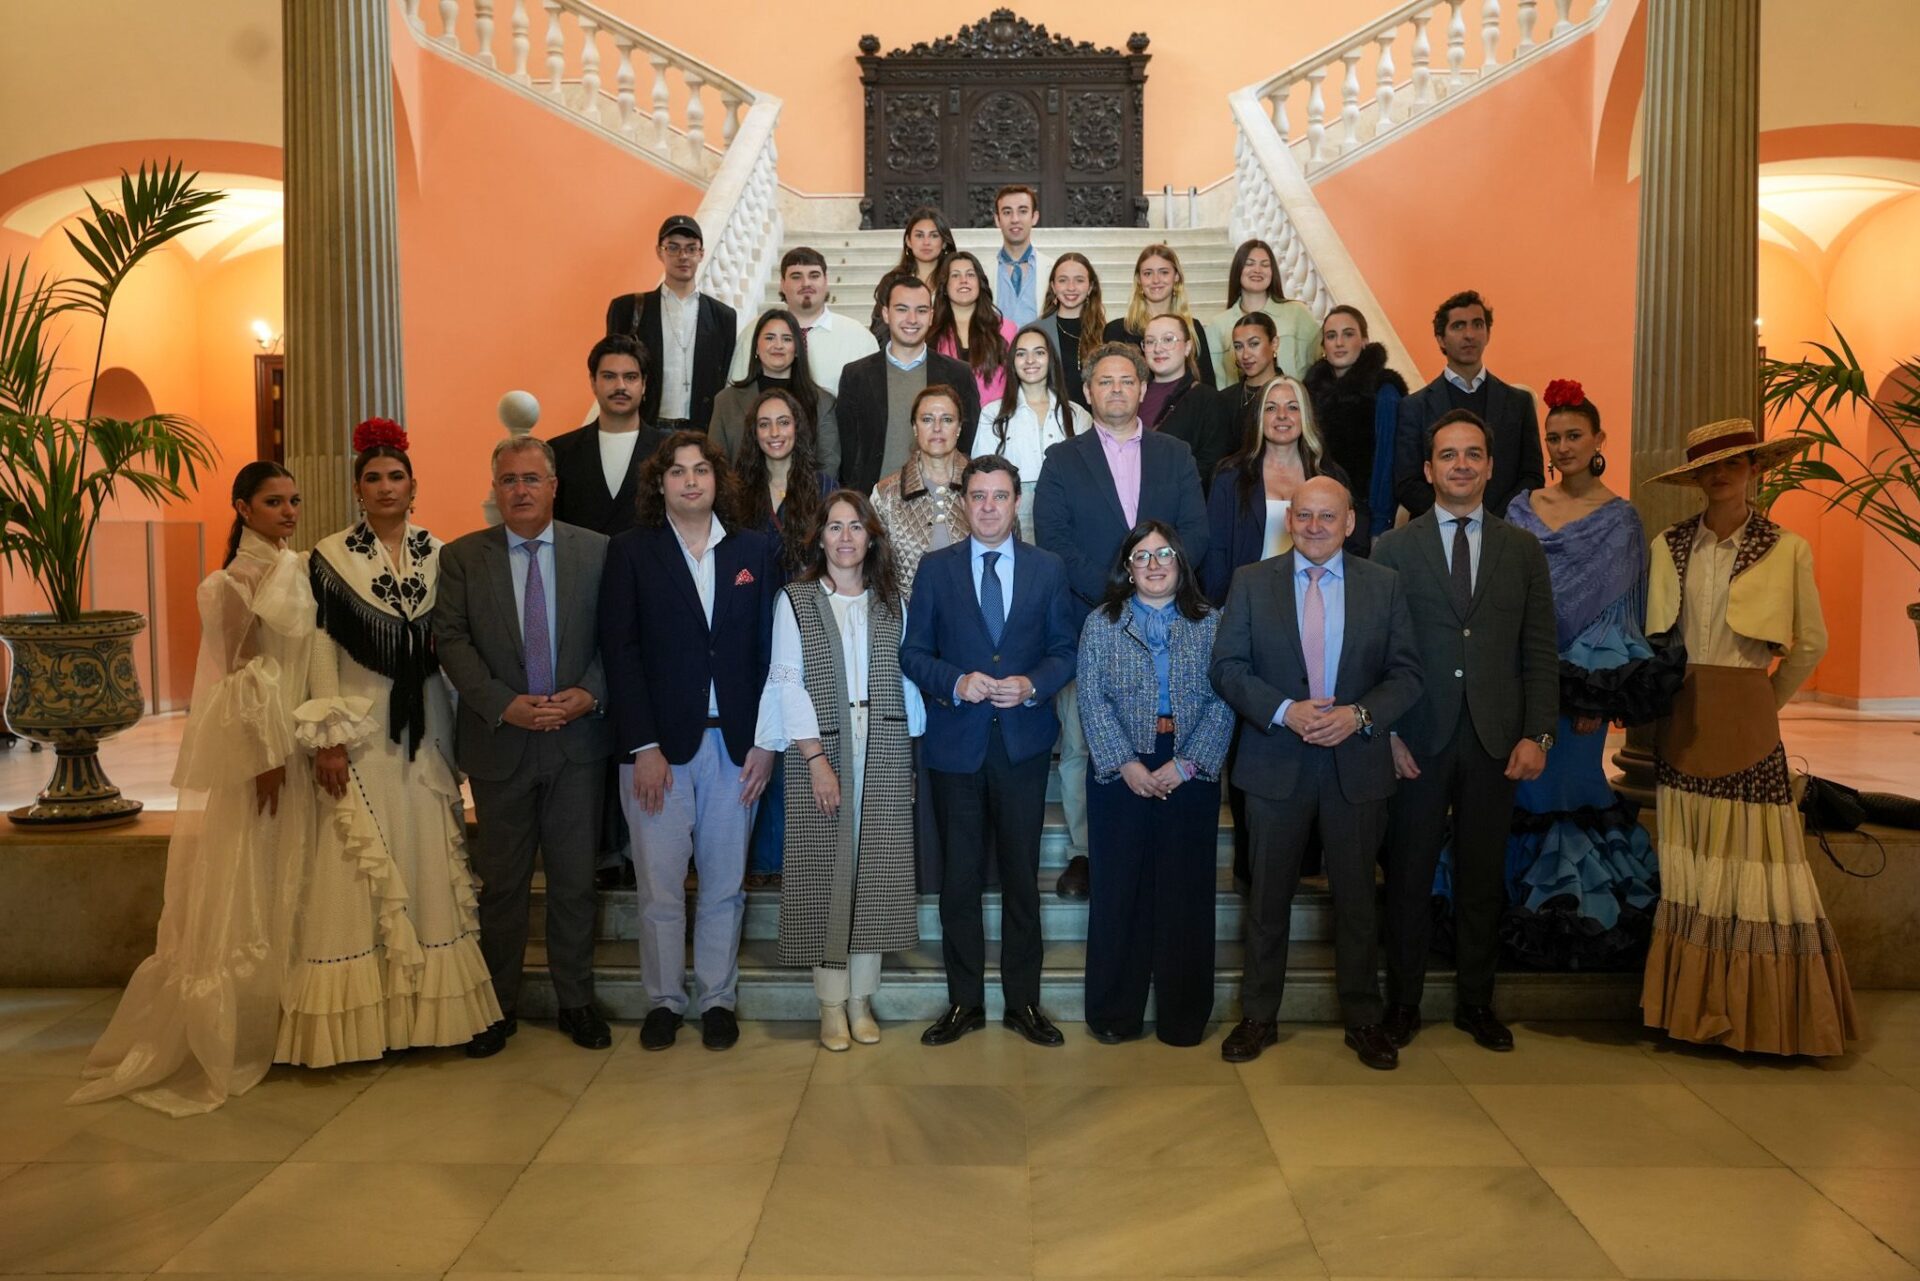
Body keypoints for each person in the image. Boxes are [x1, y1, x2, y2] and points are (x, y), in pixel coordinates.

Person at [73, 463, 314, 1116]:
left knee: (294, 872)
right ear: (243, 507)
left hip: (301, 737)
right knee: (253, 874)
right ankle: (244, 1020)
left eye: (294, 499)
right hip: (265, 751)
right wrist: (266, 756)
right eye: (273, 501)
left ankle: (298, 1016)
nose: (288, 510)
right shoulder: (233, 582)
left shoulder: (297, 566)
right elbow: (240, 680)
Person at [282, 421, 502, 1065]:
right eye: (373, 478)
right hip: (357, 728)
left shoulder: (442, 554)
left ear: (414, 486)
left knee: (428, 854)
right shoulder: (326, 556)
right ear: (357, 489)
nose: (385, 487)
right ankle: (359, 1027)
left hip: (426, 727)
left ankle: (434, 1019)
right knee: (355, 860)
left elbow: (456, 648)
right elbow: (319, 646)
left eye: (395, 477)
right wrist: (326, 737)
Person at [1641, 418, 1855, 1056]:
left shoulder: (1786, 547)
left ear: (1756, 469)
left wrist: (1764, 697)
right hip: (1684, 712)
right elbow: (1657, 638)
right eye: (1710, 466)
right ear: (1697, 478)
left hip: (1747, 710)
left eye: (1734, 463)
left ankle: (1761, 1017)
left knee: (1756, 861)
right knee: (1691, 859)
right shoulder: (1669, 543)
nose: (1721, 474)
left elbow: (1810, 640)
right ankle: (1692, 1010)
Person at [1457, 382, 1682, 970]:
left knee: (1568, 789)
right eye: (1553, 438)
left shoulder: (1622, 519)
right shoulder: (1521, 508)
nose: (1562, 447)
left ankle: (1569, 921)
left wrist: (1593, 693)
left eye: (1574, 436)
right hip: (1514, 678)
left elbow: (1619, 613)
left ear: (1599, 439)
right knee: (1515, 790)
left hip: (1583, 684)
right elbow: (1499, 596)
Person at [1211, 477, 1424, 1068]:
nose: (1314, 526)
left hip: (1355, 764)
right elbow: (1226, 667)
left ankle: (1364, 1020)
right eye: (1303, 516)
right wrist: (1285, 711)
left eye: (1326, 517)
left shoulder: (1383, 586)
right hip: (1275, 760)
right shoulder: (1252, 583)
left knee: (1357, 901)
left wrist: (1359, 716)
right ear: (1289, 520)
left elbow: (1407, 674)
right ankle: (1258, 1017)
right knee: (1266, 900)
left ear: (1350, 522)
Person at [1374, 410, 1558, 1054]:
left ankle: (1477, 1002)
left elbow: (1538, 651)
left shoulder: (1522, 549)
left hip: (1495, 741)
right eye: (1447, 455)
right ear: (1428, 470)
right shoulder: (1391, 549)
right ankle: (1402, 1003)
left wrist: (1539, 734)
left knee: (1484, 878)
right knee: (1407, 878)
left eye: (1472, 455)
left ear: (1489, 466)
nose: (1460, 465)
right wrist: (1386, 734)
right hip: (1415, 741)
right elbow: (1378, 654)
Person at [435, 437, 614, 1058]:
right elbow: (451, 640)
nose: (520, 490)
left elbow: (619, 638)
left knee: (572, 883)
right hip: (500, 743)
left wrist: (590, 694)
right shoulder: (461, 558)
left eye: (531, 479)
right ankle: (496, 1006)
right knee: (503, 884)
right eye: (508, 480)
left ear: (554, 484)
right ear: (495, 488)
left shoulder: (596, 552)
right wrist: (501, 703)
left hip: (577, 742)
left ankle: (577, 1002)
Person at [599, 431, 778, 1053]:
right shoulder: (631, 552)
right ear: (660, 484)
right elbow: (619, 654)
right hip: (657, 755)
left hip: (736, 749)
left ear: (717, 479)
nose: (691, 481)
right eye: (677, 472)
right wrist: (641, 746)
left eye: (702, 470)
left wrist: (766, 741)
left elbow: (770, 655)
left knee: (726, 885)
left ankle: (717, 998)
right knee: (660, 887)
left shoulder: (754, 549)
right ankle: (665, 1000)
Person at [900, 455, 1078, 1048]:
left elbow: (1064, 650)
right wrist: (954, 681)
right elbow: (913, 652)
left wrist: (1033, 685)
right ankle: (964, 1003)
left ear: (1015, 501)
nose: (988, 507)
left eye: (1000, 496)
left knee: (1023, 883)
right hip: (957, 747)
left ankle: (1024, 1002)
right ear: (963, 501)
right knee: (960, 882)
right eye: (977, 496)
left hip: (1023, 746)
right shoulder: (934, 569)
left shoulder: (1047, 569)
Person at [1035, 341, 1210, 901]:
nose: (1116, 390)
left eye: (1126, 381)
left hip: (1170, 627)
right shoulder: (1062, 459)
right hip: (1093, 621)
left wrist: (1153, 588)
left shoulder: (1176, 453)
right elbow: (1056, 541)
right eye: (1104, 382)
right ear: (1087, 393)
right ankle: (1088, 850)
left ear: (1143, 389)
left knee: (1165, 736)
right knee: (1087, 741)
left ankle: (1155, 839)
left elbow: (1195, 534)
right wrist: (1119, 594)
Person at [755, 491, 925, 1050]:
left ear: (872, 538)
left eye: (856, 527)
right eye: (834, 527)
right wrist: (816, 761)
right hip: (820, 746)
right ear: (820, 537)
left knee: (874, 871)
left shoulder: (889, 601)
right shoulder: (797, 600)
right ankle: (830, 1004)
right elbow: (787, 683)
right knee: (824, 869)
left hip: (883, 743)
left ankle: (862, 998)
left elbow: (906, 680)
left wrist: (908, 762)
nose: (846, 537)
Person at [1076, 522, 1234, 1046]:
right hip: (1122, 769)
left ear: (1180, 562)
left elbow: (1226, 699)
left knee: (1186, 896)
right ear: (1127, 568)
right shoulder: (1101, 623)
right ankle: (1114, 1013)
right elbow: (1092, 700)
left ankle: (1183, 1018)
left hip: (1188, 767)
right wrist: (1124, 763)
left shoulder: (1212, 623)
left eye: (1163, 553)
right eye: (1141, 556)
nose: (1153, 564)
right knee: (1119, 892)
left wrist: (1188, 764)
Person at [730, 387, 838, 888]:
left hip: (805, 626)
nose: (775, 433)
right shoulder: (735, 492)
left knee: (800, 736)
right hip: (747, 627)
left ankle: (798, 858)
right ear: (753, 434)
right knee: (761, 736)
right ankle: (761, 857)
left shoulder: (822, 486)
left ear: (799, 428)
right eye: (765, 425)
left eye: (784, 423)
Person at [1202, 377, 1358, 604]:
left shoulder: (1331, 476)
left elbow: (1350, 546)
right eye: (1271, 408)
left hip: (1318, 599)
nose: (1282, 415)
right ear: (1258, 417)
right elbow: (1215, 554)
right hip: (1250, 602)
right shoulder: (1230, 477)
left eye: (1292, 407)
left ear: (1305, 416)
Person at [1391, 289, 1543, 519]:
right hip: (1436, 533)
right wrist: (1456, 515)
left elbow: (1532, 476)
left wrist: (1491, 520)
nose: (1469, 334)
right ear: (1441, 338)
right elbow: (1406, 482)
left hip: (1505, 530)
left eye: (1477, 324)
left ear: (1488, 333)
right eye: (1458, 326)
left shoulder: (1519, 403)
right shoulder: (1413, 406)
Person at [836, 271, 980, 495]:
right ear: (886, 313)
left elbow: (967, 442)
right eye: (902, 309)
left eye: (921, 310)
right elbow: (848, 450)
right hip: (872, 505)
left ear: (931, 316)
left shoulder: (958, 374)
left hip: (941, 501)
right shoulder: (856, 376)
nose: (912, 319)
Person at [606, 214, 738, 432]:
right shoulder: (628, 309)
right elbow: (611, 370)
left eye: (691, 248)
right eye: (673, 248)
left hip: (700, 432)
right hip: (644, 428)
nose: (683, 256)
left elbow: (724, 380)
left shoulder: (723, 317)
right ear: (659, 252)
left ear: (701, 254)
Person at [1303, 304, 1409, 543]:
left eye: (1348, 334)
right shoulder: (1309, 392)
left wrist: (1379, 526)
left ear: (1364, 341)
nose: (1339, 342)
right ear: (1324, 347)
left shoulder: (1384, 391)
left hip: (1364, 518)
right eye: (1331, 336)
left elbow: (1387, 462)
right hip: (1316, 515)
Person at [549, 334, 669, 538]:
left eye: (630, 377)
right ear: (593, 382)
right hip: (580, 567)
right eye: (609, 376)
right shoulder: (559, 452)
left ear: (644, 384)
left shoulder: (669, 451)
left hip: (648, 567)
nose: (620, 386)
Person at [978, 324, 1091, 539]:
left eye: (1039, 352)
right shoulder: (992, 414)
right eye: (1021, 354)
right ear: (1012, 362)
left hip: (1068, 513)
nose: (1030, 361)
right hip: (1013, 514)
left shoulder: (1078, 415)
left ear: (1051, 359)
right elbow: (983, 475)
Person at [729, 246, 878, 396]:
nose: (806, 283)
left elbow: (873, 398)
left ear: (826, 281)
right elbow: (737, 397)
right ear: (782, 284)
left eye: (814, 275)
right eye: (796, 276)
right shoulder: (754, 333)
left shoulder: (859, 338)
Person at [710, 309, 842, 477]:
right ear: (756, 347)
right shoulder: (726, 401)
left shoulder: (822, 402)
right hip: (741, 500)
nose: (778, 345)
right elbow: (717, 465)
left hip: (806, 499)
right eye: (769, 338)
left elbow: (829, 466)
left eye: (786, 339)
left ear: (797, 349)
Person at [872, 384, 971, 595]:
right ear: (915, 429)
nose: (937, 428)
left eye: (947, 419)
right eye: (927, 419)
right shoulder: (886, 494)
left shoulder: (982, 486)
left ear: (959, 428)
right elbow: (874, 571)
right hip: (908, 619)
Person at [1140, 312, 1237, 492]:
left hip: (1178, 505)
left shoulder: (1208, 400)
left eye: (1168, 339)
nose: (1158, 348)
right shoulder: (1132, 394)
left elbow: (1211, 466)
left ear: (1187, 347)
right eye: (1150, 341)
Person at [1202, 238, 1321, 385]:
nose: (1257, 270)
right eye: (1249, 264)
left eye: (1265, 265)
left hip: (1291, 404)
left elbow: (1321, 362)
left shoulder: (1297, 313)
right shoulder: (1218, 325)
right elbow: (1213, 381)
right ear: (1238, 269)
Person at [1103, 243, 1218, 388]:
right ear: (1139, 280)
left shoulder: (1192, 328)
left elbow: (1207, 385)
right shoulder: (1117, 330)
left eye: (1164, 272)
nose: (1156, 280)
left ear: (1176, 276)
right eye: (1148, 273)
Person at [930, 250, 1017, 411]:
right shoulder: (931, 333)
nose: (963, 280)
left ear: (980, 282)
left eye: (970, 275)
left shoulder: (1006, 329)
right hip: (946, 424)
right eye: (955, 275)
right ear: (945, 286)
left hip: (995, 423)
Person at [1032, 252, 1105, 410]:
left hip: (1094, 425)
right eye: (1063, 280)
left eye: (1079, 280)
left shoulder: (1105, 334)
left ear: (1091, 287)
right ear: (1053, 286)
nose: (1071, 287)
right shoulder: (1036, 333)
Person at [869, 205, 956, 337]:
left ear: (944, 242)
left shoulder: (954, 281)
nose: (926, 242)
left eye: (933, 236)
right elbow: (880, 331)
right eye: (919, 235)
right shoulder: (892, 281)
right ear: (908, 241)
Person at [991, 184, 1051, 327]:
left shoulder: (1052, 269)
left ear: (1034, 217)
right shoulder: (982, 271)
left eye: (1023, 211)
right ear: (997, 220)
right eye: (1007, 212)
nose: (1015, 219)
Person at [1225, 312, 1282, 433]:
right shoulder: (1224, 399)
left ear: (1274, 343)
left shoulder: (1293, 395)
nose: (1245, 355)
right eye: (1238, 346)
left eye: (1254, 344)